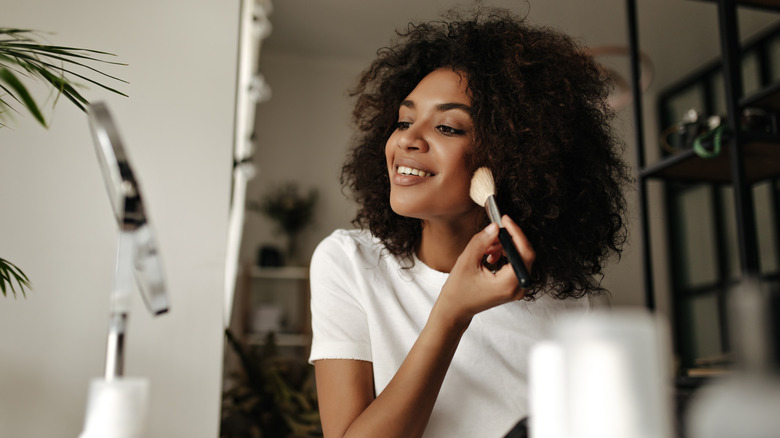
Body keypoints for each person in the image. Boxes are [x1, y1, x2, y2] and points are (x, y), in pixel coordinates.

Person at [308, 7, 630, 438]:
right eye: (404, 120)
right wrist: (450, 314)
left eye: (447, 127)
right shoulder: (350, 264)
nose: (407, 138)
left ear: (514, 159)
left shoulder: (569, 306)